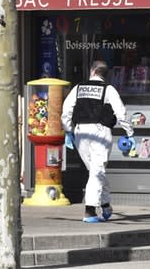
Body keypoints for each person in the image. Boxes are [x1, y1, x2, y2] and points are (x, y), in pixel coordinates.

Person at [61, 60, 132, 223]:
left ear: (92, 71)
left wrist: (68, 130)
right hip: (100, 132)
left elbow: (66, 110)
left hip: (80, 132)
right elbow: (121, 113)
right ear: (104, 75)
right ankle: (90, 210)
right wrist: (129, 133)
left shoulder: (78, 88)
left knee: (95, 170)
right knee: (97, 171)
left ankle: (105, 204)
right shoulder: (109, 89)